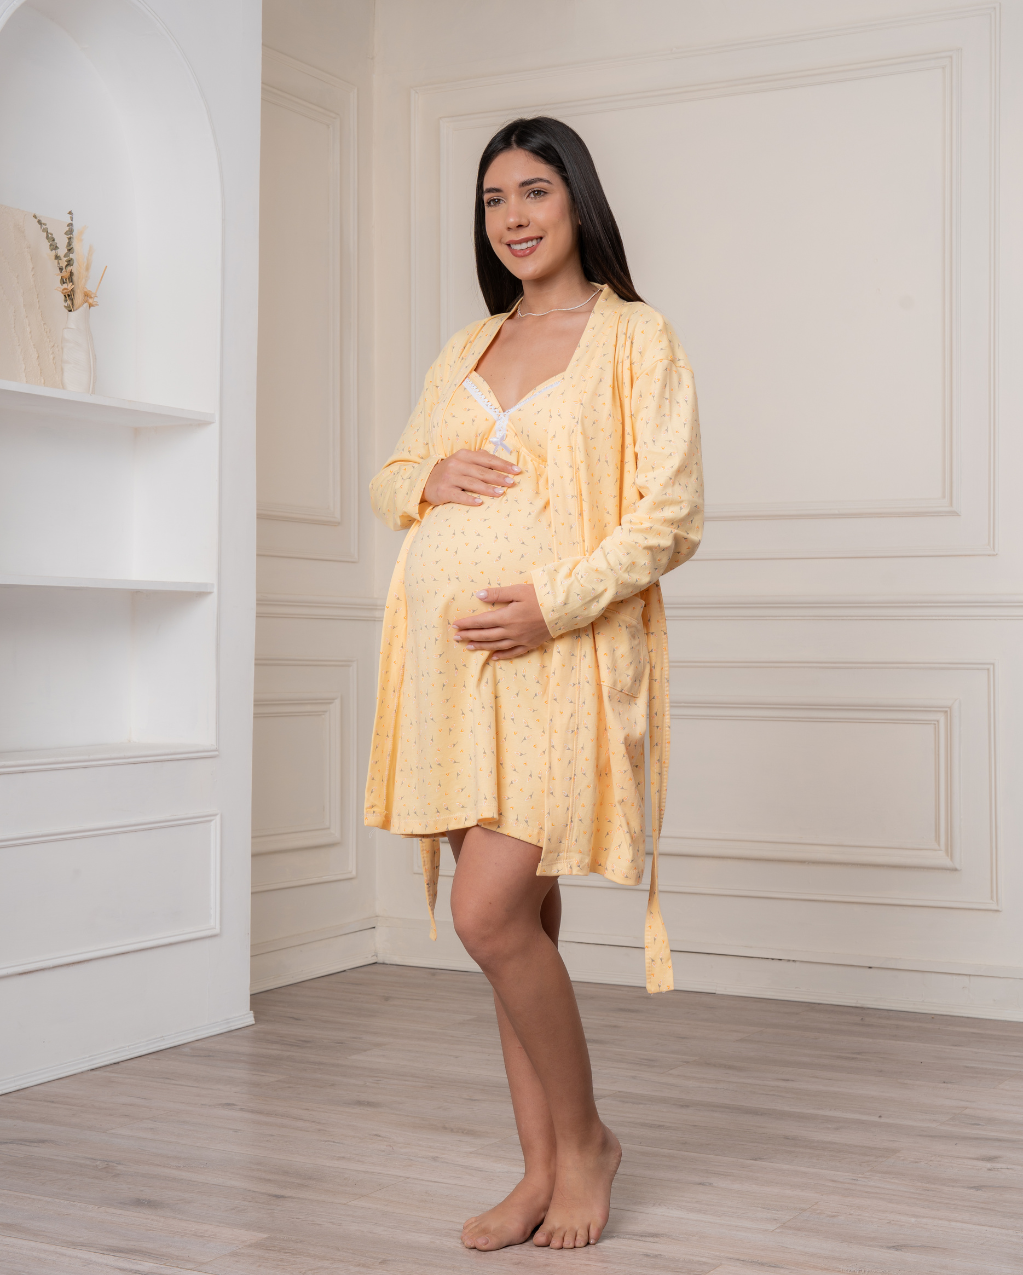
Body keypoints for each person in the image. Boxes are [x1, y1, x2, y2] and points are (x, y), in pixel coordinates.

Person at [365, 116, 703, 1251]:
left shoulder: (635, 336)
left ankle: (589, 1142)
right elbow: (391, 477)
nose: (512, 217)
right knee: (523, 925)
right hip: (450, 677)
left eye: (534, 192)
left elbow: (670, 514)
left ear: (577, 201)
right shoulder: (468, 343)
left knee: (487, 912)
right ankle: (541, 1166)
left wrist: (551, 602)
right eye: (493, 198)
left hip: (556, 660)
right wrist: (428, 475)